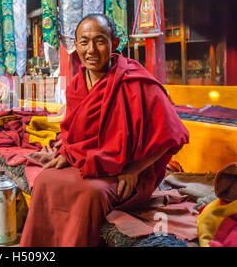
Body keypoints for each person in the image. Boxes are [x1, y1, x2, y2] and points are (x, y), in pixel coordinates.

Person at [20, 13, 189, 247]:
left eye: (99, 40)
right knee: (45, 178)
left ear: (114, 43)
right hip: (90, 163)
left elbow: (173, 136)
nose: (91, 49)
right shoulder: (77, 85)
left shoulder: (135, 81)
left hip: (128, 173)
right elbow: (74, 131)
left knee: (90, 194)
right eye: (84, 42)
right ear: (76, 45)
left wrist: (134, 170)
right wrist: (65, 151)